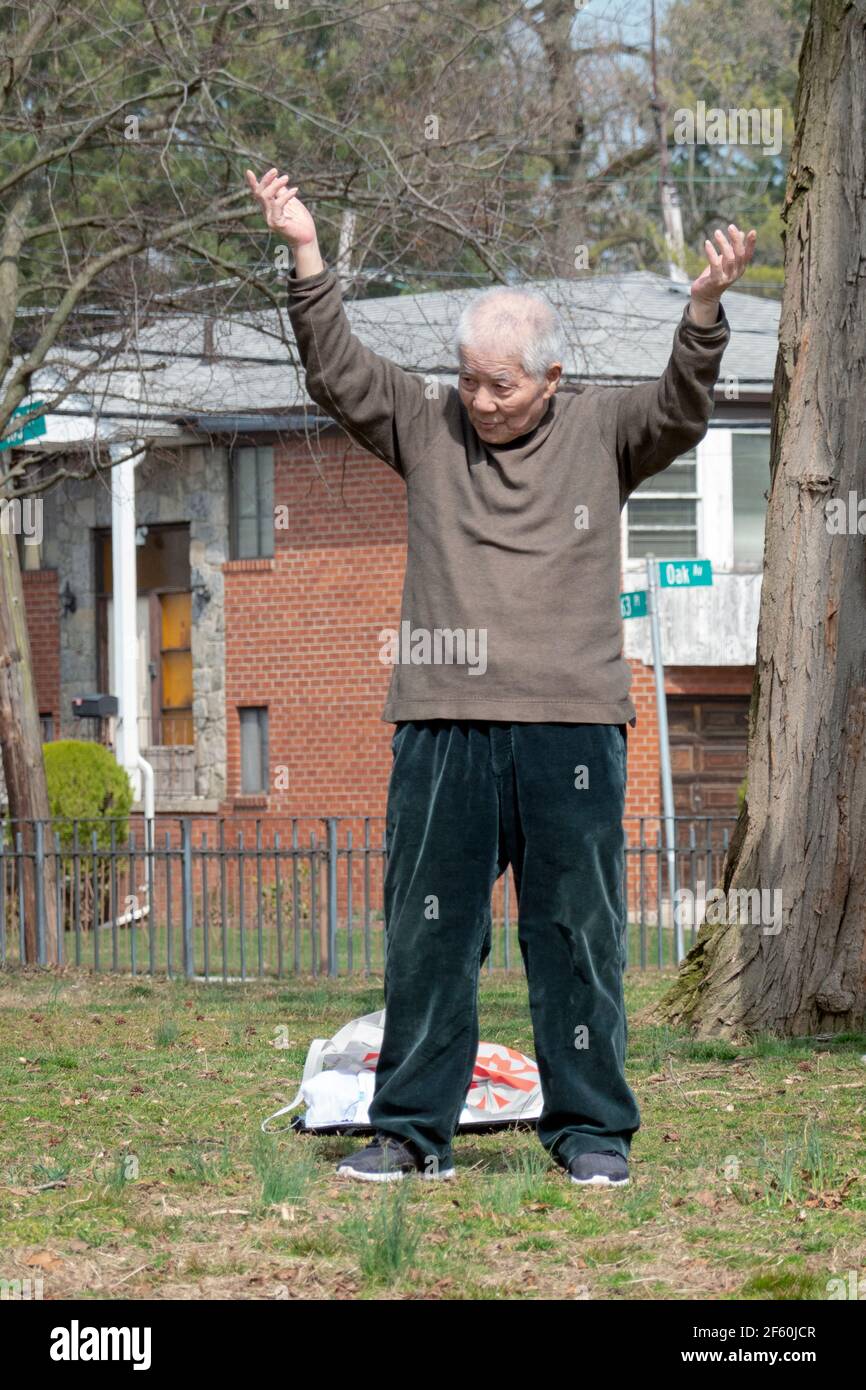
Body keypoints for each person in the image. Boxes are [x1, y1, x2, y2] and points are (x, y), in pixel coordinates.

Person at [246, 167, 756, 1188]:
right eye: (468, 379)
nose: (478, 401)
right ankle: (407, 1130)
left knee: (576, 934)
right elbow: (337, 370)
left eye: (500, 385)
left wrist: (700, 312)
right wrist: (305, 253)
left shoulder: (603, 431)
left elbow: (680, 408)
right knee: (428, 937)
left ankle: (589, 1128)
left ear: (550, 378)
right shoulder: (423, 423)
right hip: (442, 726)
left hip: (569, 724)